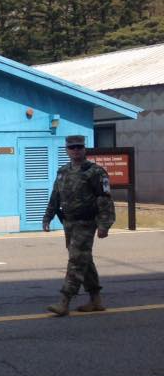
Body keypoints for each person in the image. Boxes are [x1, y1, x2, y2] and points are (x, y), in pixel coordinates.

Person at [42, 135, 115, 316]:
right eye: (72, 147)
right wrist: (47, 217)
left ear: (84, 149)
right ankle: (95, 300)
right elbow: (55, 196)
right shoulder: (63, 171)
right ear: (67, 150)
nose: (75, 150)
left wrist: (104, 224)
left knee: (76, 260)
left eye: (79, 147)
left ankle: (64, 301)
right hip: (69, 222)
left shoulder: (95, 172)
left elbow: (105, 199)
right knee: (84, 259)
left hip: (86, 222)